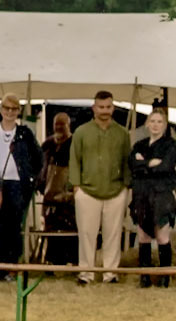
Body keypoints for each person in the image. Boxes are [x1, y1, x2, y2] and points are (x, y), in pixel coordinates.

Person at [68, 91, 130, 284]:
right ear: (94, 108)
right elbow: (74, 160)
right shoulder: (81, 132)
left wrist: (127, 187)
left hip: (116, 191)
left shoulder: (122, 133)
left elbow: (127, 161)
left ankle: (110, 273)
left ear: (113, 108)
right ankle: (86, 273)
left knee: (113, 234)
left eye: (108, 107)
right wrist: (76, 186)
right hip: (87, 191)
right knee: (87, 233)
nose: (104, 111)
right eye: (101, 107)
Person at [128, 108, 176, 287]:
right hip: (141, 194)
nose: (155, 125)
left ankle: (165, 276)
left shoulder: (170, 144)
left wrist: (144, 164)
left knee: (162, 235)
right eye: (152, 121)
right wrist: (151, 163)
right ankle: (144, 277)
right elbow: (133, 165)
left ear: (165, 125)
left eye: (159, 122)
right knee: (143, 235)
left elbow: (166, 166)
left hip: (162, 194)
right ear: (147, 124)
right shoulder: (139, 145)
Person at [0, 93, 42, 279]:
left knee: (12, 227)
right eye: (6, 108)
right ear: (1, 109)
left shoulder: (25, 133)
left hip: (17, 185)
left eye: (14, 109)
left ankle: (10, 267)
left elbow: (38, 158)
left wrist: (29, 177)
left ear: (18, 111)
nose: (10, 112)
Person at [38, 111, 76, 265]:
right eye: (57, 124)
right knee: (51, 227)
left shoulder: (75, 143)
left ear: (68, 125)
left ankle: (72, 261)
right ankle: (52, 261)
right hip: (49, 194)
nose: (59, 127)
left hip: (68, 194)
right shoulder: (47, 144)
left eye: (62, 124)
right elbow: (41, 166)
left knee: (71, 227)